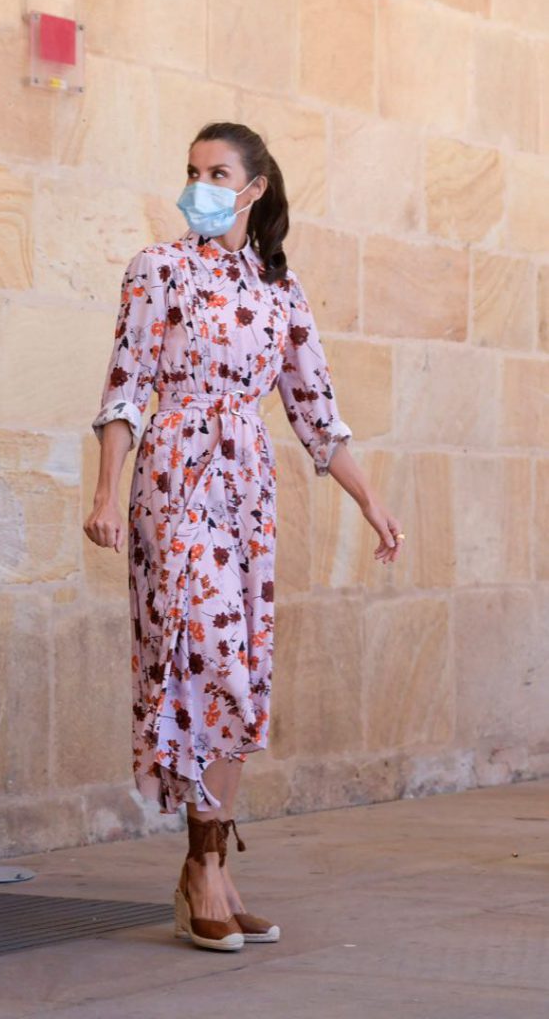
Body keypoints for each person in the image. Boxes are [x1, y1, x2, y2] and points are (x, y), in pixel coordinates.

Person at [83, 121, 404, 953]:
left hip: (247, 487)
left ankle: (211, 866)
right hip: (174, 475)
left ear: (254, 188)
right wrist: (106, 494)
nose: (199, 186)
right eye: (192, 170)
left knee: (240, 675)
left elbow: (317, 414)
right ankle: (202, 870)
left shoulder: (280, 291)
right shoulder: (157, 268)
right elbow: (125, 387)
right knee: (204, 655)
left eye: (217, 173)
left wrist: (370, 502)